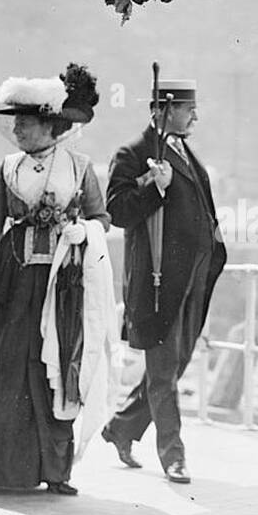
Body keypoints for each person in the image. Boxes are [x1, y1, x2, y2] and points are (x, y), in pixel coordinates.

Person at [0, 65, 113, 495]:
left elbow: (101, 217)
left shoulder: (80, 167)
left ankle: (55, 471)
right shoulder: (7, 169)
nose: (18, 131)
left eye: (26, 123)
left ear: (51, 125)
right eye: (15, 123)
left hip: (63, 283)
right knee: (6, 368)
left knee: (54, 368)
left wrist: (82, 230)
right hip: (13, 282)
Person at [100, 77, 226, 484]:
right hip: (157, 283)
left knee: (172, 366)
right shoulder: (133, 154)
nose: (195, 116)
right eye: (188, 109)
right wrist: (156, 188)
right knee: (164, 371)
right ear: (163, 109)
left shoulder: (183, 149)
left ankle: (121, 427)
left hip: (194, 280)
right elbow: (116, 212)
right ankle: (174, 455)